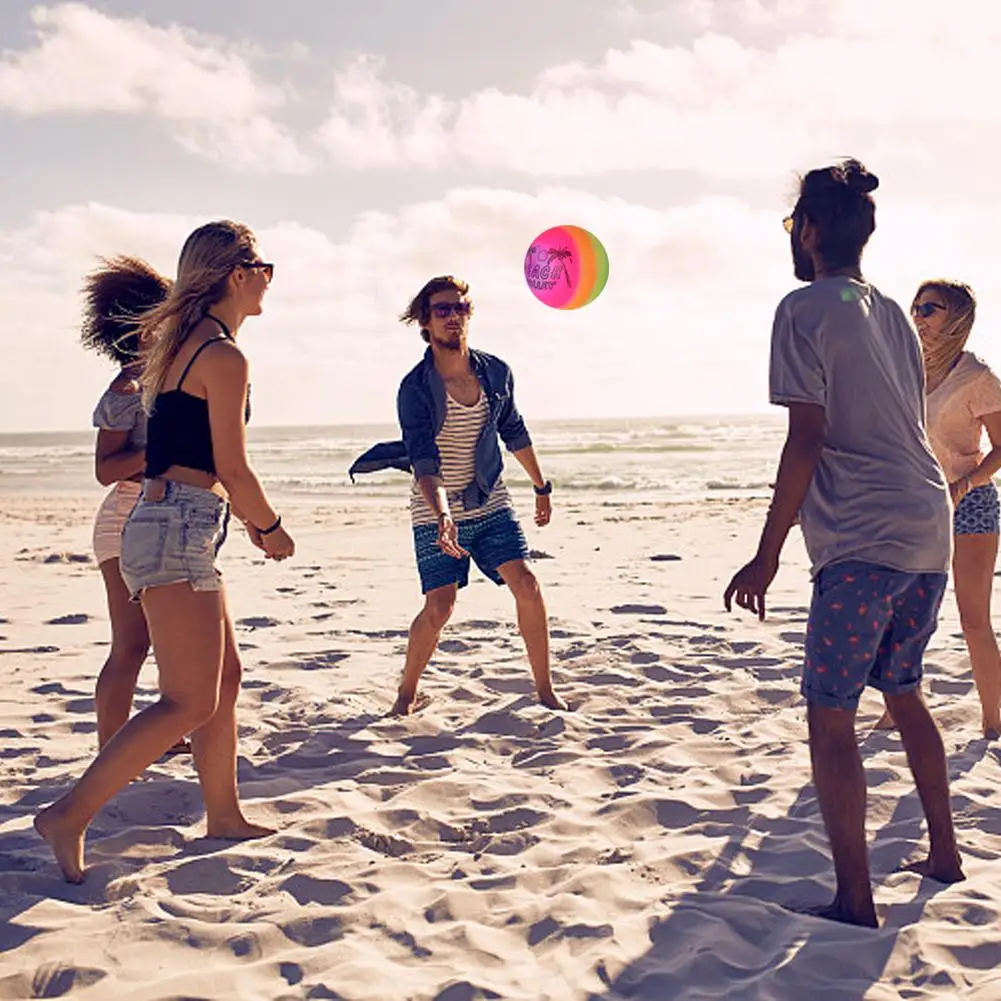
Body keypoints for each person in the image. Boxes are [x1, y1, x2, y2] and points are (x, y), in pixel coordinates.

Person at [723, 159, 964, 927]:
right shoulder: (891, 310)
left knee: (828, 711)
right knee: (903, 690)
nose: (792, 236)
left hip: (863, 538)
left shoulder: (802, 307)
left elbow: (807, 438)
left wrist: (766, 552)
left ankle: (854, 899)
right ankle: (945, 854)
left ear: (814, 230)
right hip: (929, 525)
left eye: (794, 223)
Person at [36, 220, 294, 882]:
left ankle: (224, 813)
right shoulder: (221, 356)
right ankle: (69, 813)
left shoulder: (182, 348)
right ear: (237, 275)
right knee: (185, 699)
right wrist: (270, 528)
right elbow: (232, 468)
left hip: (175, 524)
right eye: (264, 265)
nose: (269, 277)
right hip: (178, 526)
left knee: (223, 680)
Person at [350, 275, 567, 716]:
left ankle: (545, 690)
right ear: (426, 323)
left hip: (489, 498)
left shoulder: (496, 372)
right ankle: (406, 693)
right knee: (439, 608)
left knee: (526, 583)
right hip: (435, 507)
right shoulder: (414, 389)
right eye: (443, 310)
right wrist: (443, 516)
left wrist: (540, 486)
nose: (454, 317)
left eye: (461, 308)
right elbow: (424, 460)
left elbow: (514, 430)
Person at [876, 280, 1001, 738]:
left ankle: (994, 721)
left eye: (931, 308)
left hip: (970, 506)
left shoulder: (978, 377)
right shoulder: (905, 369)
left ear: (958, 319)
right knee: (900, 616)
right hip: (915, 508)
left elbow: (1000, 447)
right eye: (917, 307)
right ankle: (898, 710)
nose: (920, 316)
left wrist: (967, 482)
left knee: (973, 621)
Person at [82, 255, 189, 752]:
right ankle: (111, 749)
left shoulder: (175, 376)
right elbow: (106, 469)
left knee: (170, 640)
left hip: (164, 517)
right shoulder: (126, 388)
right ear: (146, 327)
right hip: (124, 517)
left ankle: (162, 733)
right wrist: (166, 450)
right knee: (131, 645)